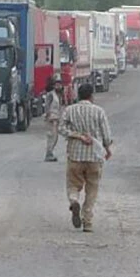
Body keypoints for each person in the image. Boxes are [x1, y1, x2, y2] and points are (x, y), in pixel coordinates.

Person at [59, 83, 114, 233]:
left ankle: (74, 200)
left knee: (73, 185)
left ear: (78, 95)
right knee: (92, 189)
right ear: (91, 96)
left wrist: (77, 135)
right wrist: (108, 149)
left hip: (75, 155)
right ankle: (87, 221)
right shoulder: (99, 111)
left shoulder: (70, 110)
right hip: (94, 157)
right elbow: (106, 135)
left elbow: (61, 129)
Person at [43, 79, 65, 162]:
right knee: (51, 136)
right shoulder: (51, 95)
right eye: (56, 85)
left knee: (55, 137)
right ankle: (48, 154)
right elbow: (47, 106)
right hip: (51, 119)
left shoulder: (60, 95)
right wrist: (48, 116)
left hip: (57, 118)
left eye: (59, 85)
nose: (58, 86)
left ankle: (50, 152)